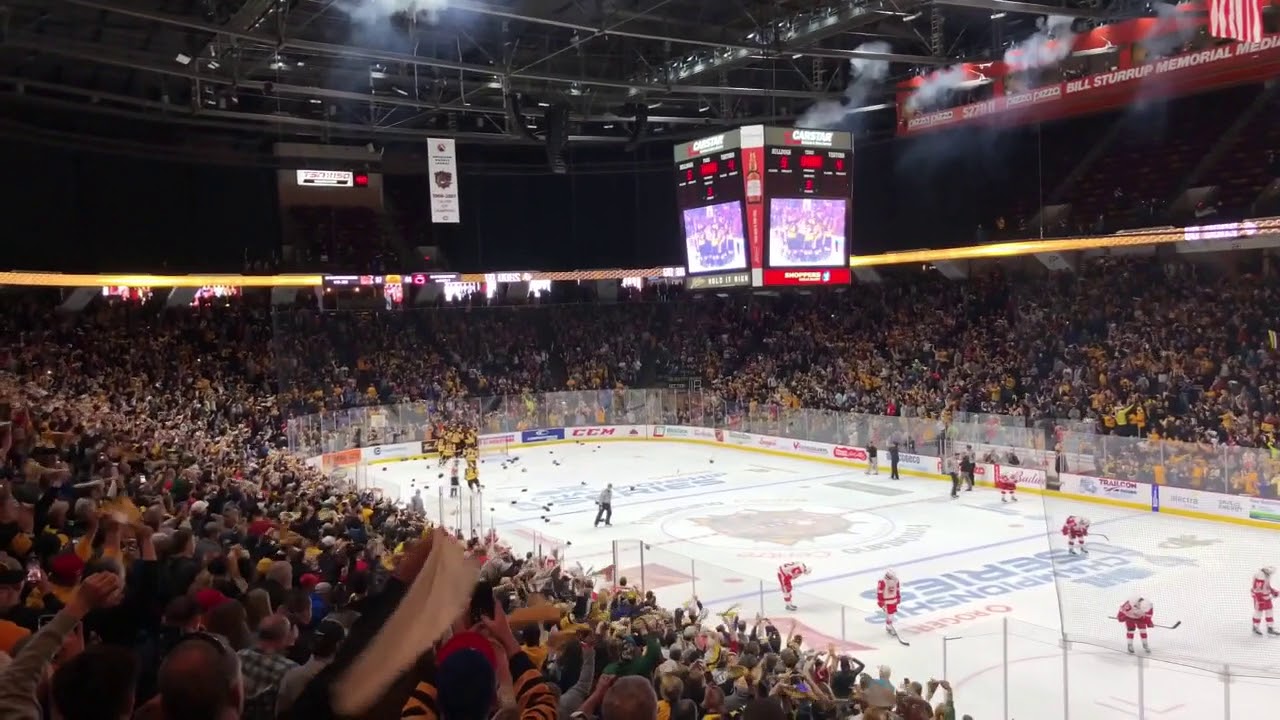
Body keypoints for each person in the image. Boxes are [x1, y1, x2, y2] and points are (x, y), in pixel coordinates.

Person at [1251, 566, 1278, 636]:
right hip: (1259, 597)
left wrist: (1273, 591)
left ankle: (1270, 627)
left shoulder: (1266, 575)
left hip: (1266, 597)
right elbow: (1257, 589)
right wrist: (1260, 601)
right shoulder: (1260, 576)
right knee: (1258, 612)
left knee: (1269, 611)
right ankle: (1255, 627)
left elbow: (1266, 586)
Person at [876, 570, 901, 636]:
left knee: (891, 614)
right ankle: (889, 626)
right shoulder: (882, 581)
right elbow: (880, 592)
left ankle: (889, 626)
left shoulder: (896, 580)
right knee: (890, 615)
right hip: (886, 602)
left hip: (894, 600)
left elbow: (897, 589)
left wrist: (898, 597)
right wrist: (880, 601)